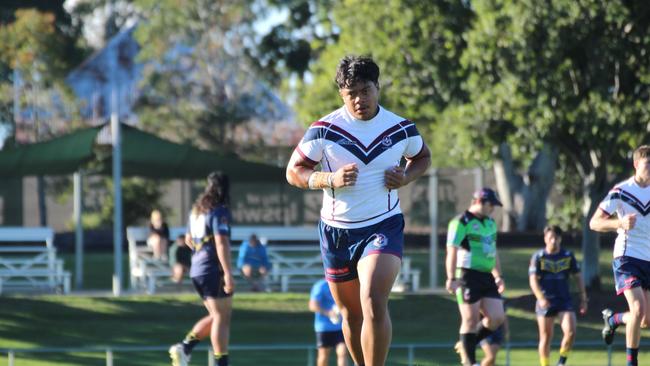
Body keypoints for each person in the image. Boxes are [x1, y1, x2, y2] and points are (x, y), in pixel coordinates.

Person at [286, 55, 431, 366]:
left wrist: (405, 177)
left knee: (373, 301)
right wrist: (329, 178)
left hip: (383, 226)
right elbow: (293, 171)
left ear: (377, 88)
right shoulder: (324, 130)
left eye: (365, 91)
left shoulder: (401, 128)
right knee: (350, 314)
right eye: (351, 93)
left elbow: (422, 158)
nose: (359, 99)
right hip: (336, 231)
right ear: (341, 94)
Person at [591, 145, 650, 366]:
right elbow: (594, 222)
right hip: (627, 257)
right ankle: (631, 363)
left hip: (648, 259)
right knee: (637, 308)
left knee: (645, 320)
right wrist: (620, 223)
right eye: (648, 164)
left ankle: (614, 319)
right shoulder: (621, 191)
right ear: (636, 164)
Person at [169, 172, 234, 366]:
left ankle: (185, 347)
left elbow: (189, 239)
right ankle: (219, 362)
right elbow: (221, 243)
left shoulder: (197, 211)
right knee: (222, 318)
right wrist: (228, 273)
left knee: (217, 315)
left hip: (197, 269)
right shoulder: (219, 211)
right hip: (212, 269)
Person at [446, 188, 506, 366]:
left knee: (496, 317)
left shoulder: (491, 223)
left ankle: (466, 344)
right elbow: (452, 251)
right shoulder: (460, 222)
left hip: (486, 277)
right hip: (467, 275)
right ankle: (470, 362)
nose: (493, 208)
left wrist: (498, 275)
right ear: (480, 202)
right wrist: (451, 278)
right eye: (491, 205)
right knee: (470, 320)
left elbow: (493, 252)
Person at [529, 226, 588, 366]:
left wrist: (583, 298)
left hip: (563, 300)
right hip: (545, 301)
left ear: (560, 239)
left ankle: (561, 362)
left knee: (571, 332)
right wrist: (541, 298)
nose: (553, 241)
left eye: (556, 238)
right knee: (546, 337)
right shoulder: (538, 257)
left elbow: (578, 277)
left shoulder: (567, 256)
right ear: (545, 239)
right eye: (550, 238)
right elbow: (533, 280)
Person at [310, 278, 348, 366]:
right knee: (323, 355)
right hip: (324, 327)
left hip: (340, 326)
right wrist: (328, 313)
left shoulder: (343, 284)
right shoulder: (320, 286)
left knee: (343, 352)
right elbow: (313, 305)